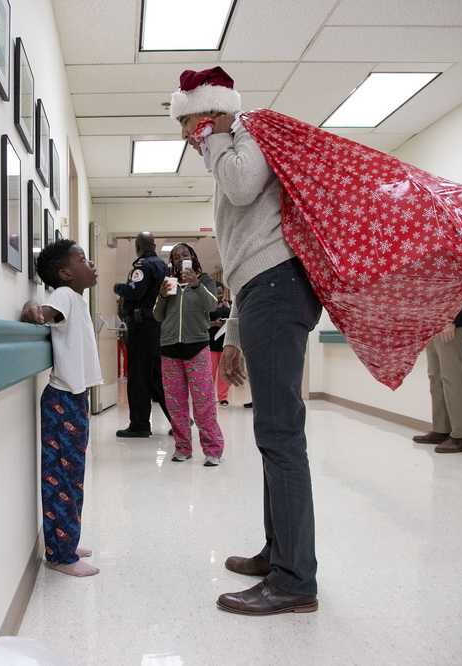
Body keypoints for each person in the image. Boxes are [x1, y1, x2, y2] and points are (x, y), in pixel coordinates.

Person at [171, 66, 323, 614]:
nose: (194, 141)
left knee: (280, 435)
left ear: (210, 112)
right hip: (262, 290)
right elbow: (242, 253)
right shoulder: (233, 146)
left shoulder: (251, 133)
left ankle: (294, 580)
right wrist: (233, 330)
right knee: (271, 434)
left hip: (279, 287)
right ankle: (279, 551)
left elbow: (242, 187)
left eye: (194, 126)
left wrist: (213, 137)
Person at [21, 240, 102, 577]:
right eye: (83, 259)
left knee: (71, 478)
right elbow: (44, 313)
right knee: (63, 481)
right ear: (66, 273)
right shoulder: (66, 296)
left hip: (73, 398)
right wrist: (33, 308)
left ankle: (65, 542)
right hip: (63, 402)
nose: (91, 263)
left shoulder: (77, 300)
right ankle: (60, 555)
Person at [154, 243, 226, 466]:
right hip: (169, 349)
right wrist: (162, 296)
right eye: (175, 257)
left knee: (203, 402)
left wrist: (196, 284)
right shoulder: (170, 283)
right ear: (172, 262)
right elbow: (158, 316)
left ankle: (213, 449)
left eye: (184, 255)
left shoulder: (205, 281)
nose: (179, 259)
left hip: (197, 347)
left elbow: (211, 304)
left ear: (192, 257)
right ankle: (182, 447)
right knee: (175, 404)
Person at [113, 231, 172, 437]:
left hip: (142, 326)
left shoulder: (142, 266)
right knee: (156, 376)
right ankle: (180, 419)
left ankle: (139, 425)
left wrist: (118, 287)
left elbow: (134, 292)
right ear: (154, 246)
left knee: (138, 375)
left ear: (138, 247)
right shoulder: (164, 267)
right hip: (158, 326)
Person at [412, 297, 462, 454]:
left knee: (452, 378)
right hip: (433, 323)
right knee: (435, 378)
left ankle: (460, 437)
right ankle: (441, 430)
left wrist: (451, 318)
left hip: (450, 322)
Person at [208, 281, 232, 406]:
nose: (219, 295)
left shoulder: (228, 305)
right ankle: (209, 397)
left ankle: (223, 397)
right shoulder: (207, 305)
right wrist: (213, 323)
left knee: (224, 372)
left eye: (221, 293)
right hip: (210, 344)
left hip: (224, 344)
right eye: (217, 293)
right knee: (210, 373)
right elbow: (201, 323)